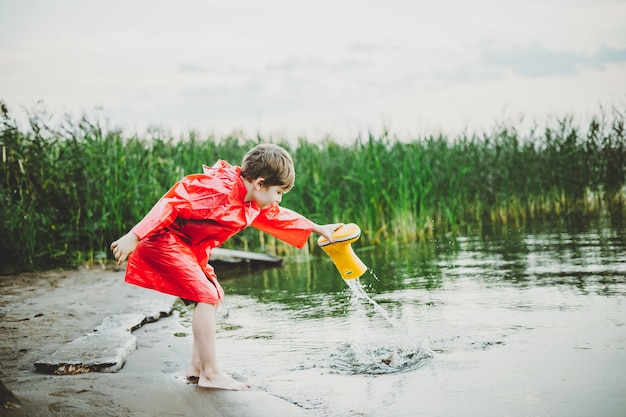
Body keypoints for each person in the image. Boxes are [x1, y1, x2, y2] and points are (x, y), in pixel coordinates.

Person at [110, 144, 343, 390]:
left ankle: (197, 367)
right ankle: (211, 373)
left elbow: (277, 215)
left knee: (213, 293)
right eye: (278, 192)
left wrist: (317, 228)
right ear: (260, 184)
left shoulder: (251, 201)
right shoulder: (219, 188)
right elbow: (172, 202)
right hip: (163, 242)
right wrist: (134, 236)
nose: (278, 199)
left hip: (188, 249)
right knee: (207, 296)